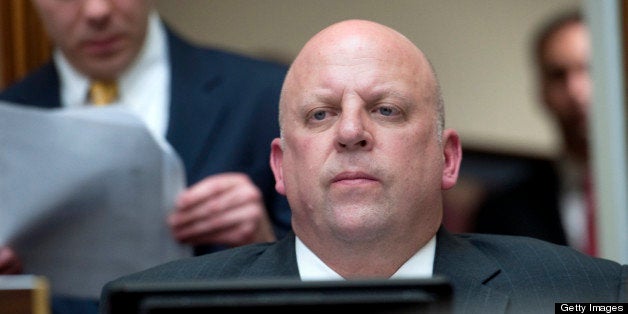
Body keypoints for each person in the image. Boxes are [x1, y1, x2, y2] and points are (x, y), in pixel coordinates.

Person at [100, 19, 628, 313]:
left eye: (386, 110)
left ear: (447, 159)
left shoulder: (591, 295)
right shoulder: (154, 311)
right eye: (321, 114)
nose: (351, 132)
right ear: (280, 168)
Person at [0, 0, 291, 312]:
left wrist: (265, 248)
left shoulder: (265, 94)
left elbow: (326, 273)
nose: (97, 11)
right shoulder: (9, 119)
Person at [474, 10, 596, 256]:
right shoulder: (506, 208)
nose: (575, 90)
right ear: (541, 92)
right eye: (558, 75)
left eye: (590, 69)